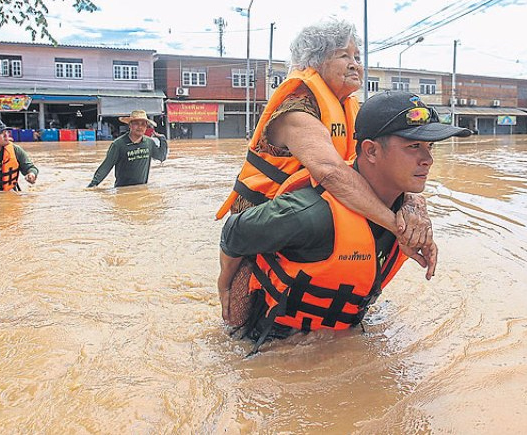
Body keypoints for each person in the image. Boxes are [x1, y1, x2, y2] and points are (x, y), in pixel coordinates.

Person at [218, 91, 471, 353]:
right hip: (271, 349)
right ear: (371, 151)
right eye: (413, 146)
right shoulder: (312, 215)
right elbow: (235, 231)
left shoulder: (407, 214)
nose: (428, 160)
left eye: (431, 147)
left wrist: (415, 213)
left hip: (341, 336)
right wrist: (224, 283)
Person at [216, 17, 434, 255]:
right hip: (263, 220)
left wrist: (412, 203)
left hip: (312, 213)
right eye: (343, 56)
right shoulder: (296, 109)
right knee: (237, 289)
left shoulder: (349, 108)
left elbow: (383, 167)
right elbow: (331, 172)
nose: (355, 65)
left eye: (357, 58)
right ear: (315, 61)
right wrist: (399, 228)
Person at [87, 110, 168, 188]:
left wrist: (163, 139)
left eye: (143, 124)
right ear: (130, 125)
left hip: (141, 190)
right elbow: (106, 167)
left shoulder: (149, 143)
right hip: (122, 191)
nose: (140, 127)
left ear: (146, 126)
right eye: (136, 123)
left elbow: (161, 157)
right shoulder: (118, 144)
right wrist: (92, 185)